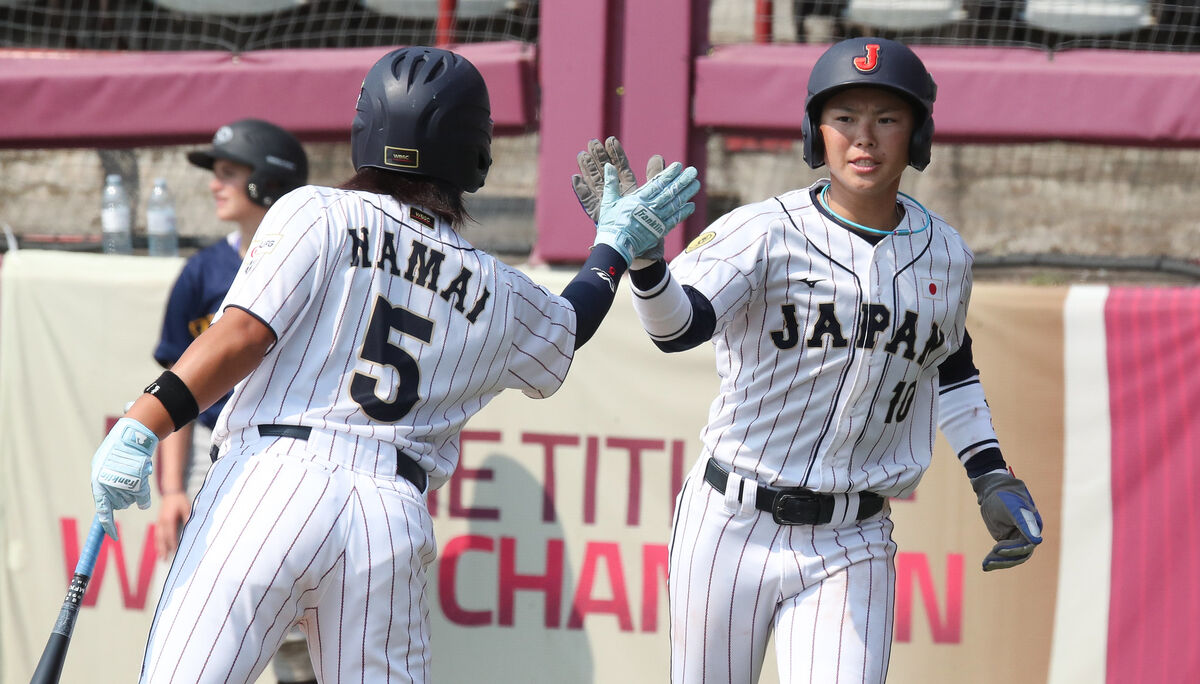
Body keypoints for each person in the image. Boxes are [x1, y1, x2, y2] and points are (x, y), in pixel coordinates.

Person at [88, 45, 699, 683]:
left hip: (271, 482)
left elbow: (241, 334)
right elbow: (570, 328)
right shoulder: (497, 285)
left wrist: (141, 422)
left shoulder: (316, 209)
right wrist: (614, 247)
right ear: (474, 154)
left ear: (366, 127)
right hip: (388, 519)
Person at [572, 38, 1043, 684]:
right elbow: (678, 330)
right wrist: (648, 265)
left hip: (853, 538)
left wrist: (989, 473)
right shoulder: (763, 230)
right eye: (844, 118)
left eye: (887, 118)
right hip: (731, 522)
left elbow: (949, 368)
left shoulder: (946, 255)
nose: (864, 138)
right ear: (815, 132)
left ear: (918, 135)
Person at [150, 117, 317, 684]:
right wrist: (172, 488)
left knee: (297, 631)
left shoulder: (315, 259)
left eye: (228, 172)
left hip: (290, 449)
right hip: (210, 445)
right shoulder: (203, 270)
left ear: (268, 181)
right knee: (192, 610)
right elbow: (175, 390)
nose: (215, 185)